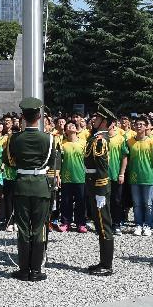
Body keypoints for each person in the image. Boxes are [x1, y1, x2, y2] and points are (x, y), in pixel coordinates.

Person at [4, 97, 54, 281]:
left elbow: (8, 161)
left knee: (23, 229)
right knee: (39, 228)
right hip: (41, 186)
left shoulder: (14, 139)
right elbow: (50, 162)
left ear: (23, 117)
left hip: (22, 185)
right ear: (39, 116)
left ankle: (24, 269)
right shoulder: (49, 139)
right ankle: (36, 270)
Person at [85, 107, 116, 276]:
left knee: (104, 226)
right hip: (93, 184)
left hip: (99, 186)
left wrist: (101, 192)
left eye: (97, 118)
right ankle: (103, 262)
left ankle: (107, 265)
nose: (93, 119)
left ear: (104, 122)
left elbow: (103, 168)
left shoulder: (100, 140)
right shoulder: (95, 138)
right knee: (100, 224)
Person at [127, 117, 153, 236]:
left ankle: (148, 224)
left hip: (148, 176)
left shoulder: (152, 142)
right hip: (134, 176)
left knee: (148, 203)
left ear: (146, 127)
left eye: (141, 124)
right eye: (137, 124)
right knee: (137, 203)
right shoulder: (130, 141)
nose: (139, 126)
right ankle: (138, 224)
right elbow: (127, 157)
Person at [56, 121, 87, 233]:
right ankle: (66, 223)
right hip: (66, 177)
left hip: (81, 176)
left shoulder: (84, 143)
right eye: (68, 126)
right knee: (66, 201)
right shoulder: (62, 144)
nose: (71, 126)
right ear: (65, 131)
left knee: (81, 201)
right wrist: (58, 175)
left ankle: (81, 223)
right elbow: (58, 161)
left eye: (73, 125)